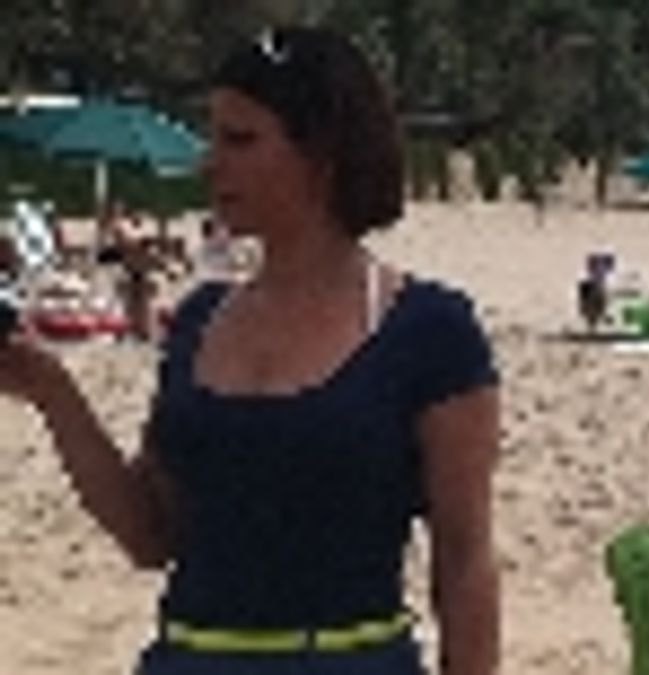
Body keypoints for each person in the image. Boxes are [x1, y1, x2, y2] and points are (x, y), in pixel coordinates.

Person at [0, 26, 499, 675]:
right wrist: (51, 391)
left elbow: (464, 561)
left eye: (240, 140)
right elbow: (150, 535)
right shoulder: (200, 319)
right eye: (213, 137)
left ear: (322, 153)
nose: (210, 163)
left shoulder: (428, 331)